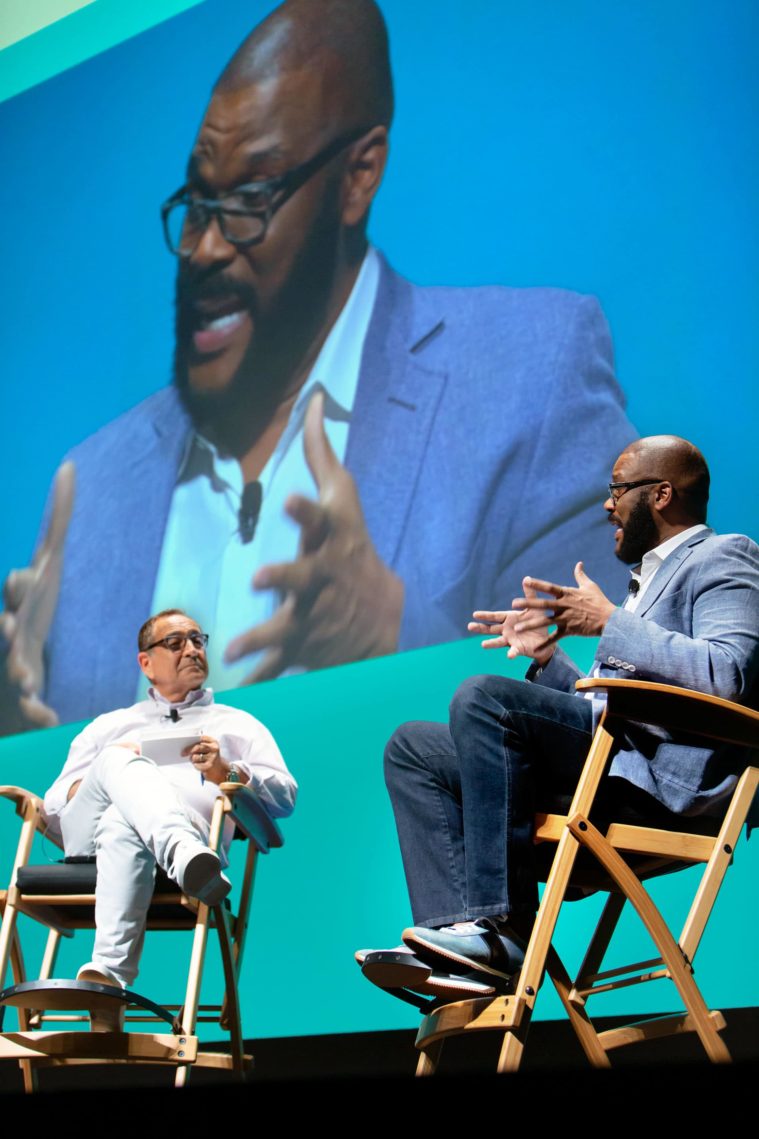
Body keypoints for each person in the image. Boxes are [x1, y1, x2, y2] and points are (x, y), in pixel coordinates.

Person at [0, 0, 636, 736]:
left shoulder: (534, 374)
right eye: (199, 203)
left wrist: (396, 637)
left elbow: (609, 706)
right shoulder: (95, 483)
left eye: (247, 199)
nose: (203, 248)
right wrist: (21, 737)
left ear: (359, 174)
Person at [359, 435, 759, 1000]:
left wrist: (609, 622)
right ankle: (456, 937)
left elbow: (729, 675)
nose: (606, 504)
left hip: (658, 787)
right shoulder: (640, 590)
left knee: (484, 697)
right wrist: (547, 658)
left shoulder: (726, 555)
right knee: (414, 748)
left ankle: (503, 933)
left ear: (662, 494)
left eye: (617, 489)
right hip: (611, 762)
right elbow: (603, 707)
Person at [43, 608, 296, 1017]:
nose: (192, 649)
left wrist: (226, 770)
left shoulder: (237, 725)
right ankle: (183, 855)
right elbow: (54, 804)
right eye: (176, 643)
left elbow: (285, 796)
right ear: (146, 663)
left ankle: (108, 975)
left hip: (171, 834)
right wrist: (117, 769)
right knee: (114, 763)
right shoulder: (111, 725)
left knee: (121, 822)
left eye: (198, 640)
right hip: (87, 840)